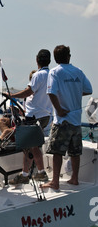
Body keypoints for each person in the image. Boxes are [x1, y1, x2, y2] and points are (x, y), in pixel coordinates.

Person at [42, 45, 92, 190]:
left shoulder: (55, 72)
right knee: (75, 152)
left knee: (57, 152)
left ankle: (55, 181)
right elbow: (88, 90)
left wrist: (59, 109)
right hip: (76, 120)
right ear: (68, 56)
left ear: (56, 58)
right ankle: (74, 178)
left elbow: (51, 92)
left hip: (62, 120)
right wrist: (74, 93)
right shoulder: (78, 71)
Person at [7, 49, 53, 184]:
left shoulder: (38, 75)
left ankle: (28, 175)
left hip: (34, 116)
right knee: (34, 146)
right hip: (46, 115)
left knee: (28, 145)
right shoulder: (51, 74)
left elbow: (28, 91)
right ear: (49, 61)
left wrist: (12, 96)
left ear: (37, 60)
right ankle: (37, 173)